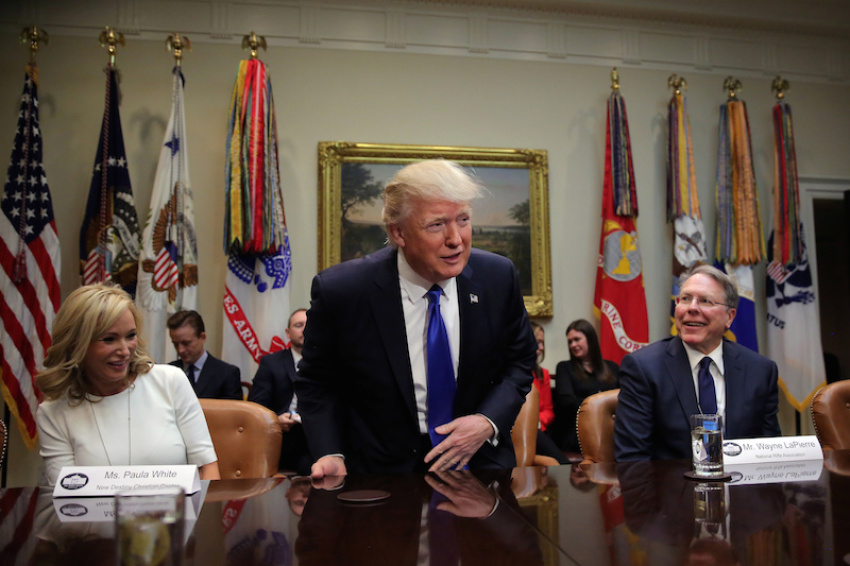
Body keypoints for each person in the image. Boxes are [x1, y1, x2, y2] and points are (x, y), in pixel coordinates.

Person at [295, 159, 537, 480]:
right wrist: (330, 452)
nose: (456, 239)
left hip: (479, 465)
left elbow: (520, 361)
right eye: (436, 225)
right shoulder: (343, 290)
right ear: (399, 232)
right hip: (379, 475)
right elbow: (317, 382)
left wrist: (486, 421)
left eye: (463, 220)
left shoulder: (497, 276)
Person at [35, 283, 220, 486]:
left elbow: (206, 467)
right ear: (77, 344)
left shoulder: (170, 381)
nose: (124, 351)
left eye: (130, 336)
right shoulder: (53, 412)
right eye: (109, 339)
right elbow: (67, 492)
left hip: (179, 507)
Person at [614, 264, 781, 461]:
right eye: (685, 299)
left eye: (705, 301)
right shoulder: (643, 368)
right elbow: (632, 460)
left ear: (729, 317)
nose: (692, 308)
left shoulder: (760, 371)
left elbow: (769, 453)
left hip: (741, 480)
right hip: (669, 481)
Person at [248, 308, 312, 475]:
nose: (304, 329)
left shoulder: (329, 363)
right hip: (285, 437)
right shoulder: (271, 363)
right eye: (299, 325)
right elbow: (256, 406)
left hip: (319, 436)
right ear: (288, 332)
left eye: (309, 324)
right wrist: (276, 420)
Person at [552, 319, 619, 452]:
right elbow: (567, 401)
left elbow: (624, 397)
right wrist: (603, 411)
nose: (573, 345)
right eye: (570, 341)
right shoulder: (565, 368)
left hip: (612, 428)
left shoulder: (612, 367)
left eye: (577, 339)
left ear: (590, 339)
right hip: (579, 430)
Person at [167, 310, 242, 400]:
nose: (180, 350)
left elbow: (232, 408)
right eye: (176, 344)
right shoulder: (168, 372)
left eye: (186, 343)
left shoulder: (227, 374)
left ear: (202, 337)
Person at [530, 322, 569, 464]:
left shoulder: (543, 374)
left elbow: (549, 411)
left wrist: (535, 422)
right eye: (538, 342)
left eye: (542, 343)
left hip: (539, 431)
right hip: (516, 434)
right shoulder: (510, 374)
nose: (541, 347)